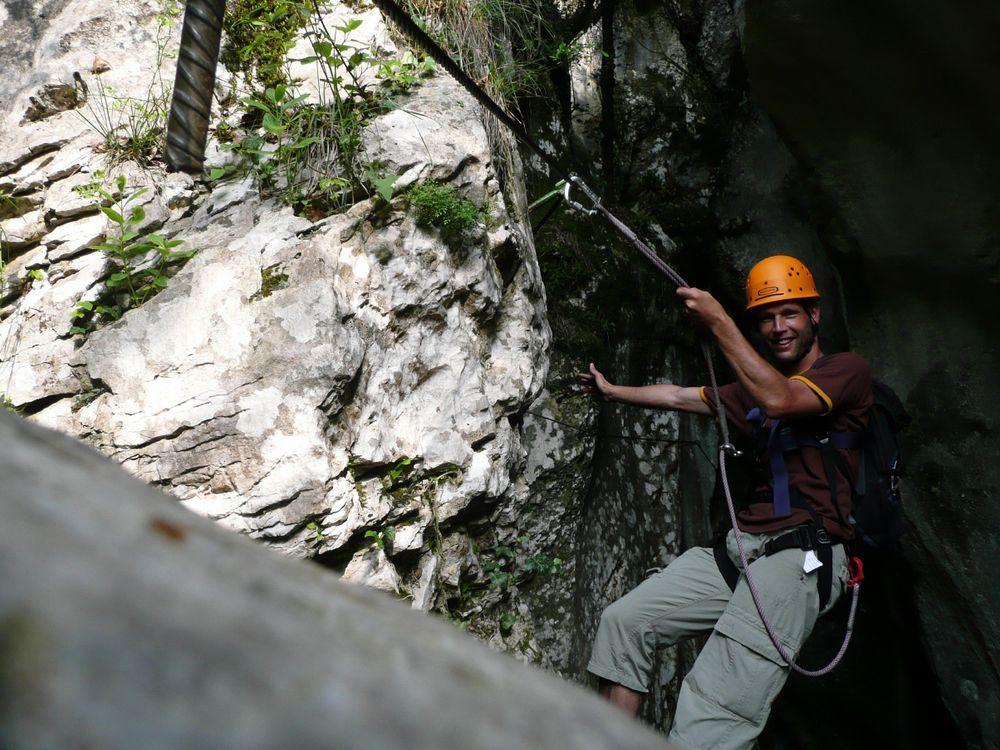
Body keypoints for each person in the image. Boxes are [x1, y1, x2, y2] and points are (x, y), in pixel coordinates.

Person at [580, 255, 872, 750]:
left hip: (804, 555)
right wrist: (612, 392)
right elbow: (677, 396)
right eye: (766, 317)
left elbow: (783, 400)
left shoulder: (846, 372)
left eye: (790, 314)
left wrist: (718, 320)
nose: (778, 327)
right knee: (624, 624)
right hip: (743, 547)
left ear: (815, 316)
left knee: (715, 701)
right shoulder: (746, 395)